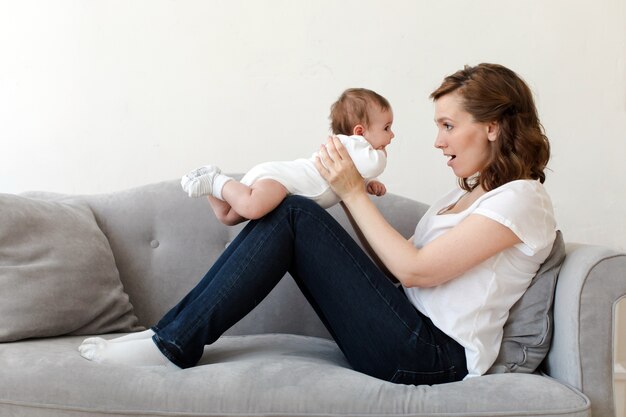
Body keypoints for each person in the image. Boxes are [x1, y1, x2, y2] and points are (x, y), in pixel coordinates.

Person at [78, 63, 556, 384]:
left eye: (448, 126)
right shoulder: (463, 196)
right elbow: (394, 272)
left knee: (292, 212)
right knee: (294, 208)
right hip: (403, 325)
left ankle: (171, 344)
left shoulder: (523, 200)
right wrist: (344, 192)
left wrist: (350, 189)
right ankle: (171, 334)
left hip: (435, 355)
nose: (437, 141)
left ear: (492, 127)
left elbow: (417, 270)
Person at [180, 88, 394, 225]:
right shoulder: (352, 143)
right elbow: (375, 165)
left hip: (279, 177)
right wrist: (381, 153)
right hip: (283, 181)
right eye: (387, 128)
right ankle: (217, 181)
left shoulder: (349, 152)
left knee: (228, 216)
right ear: (359, 131)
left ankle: (211, 182)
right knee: (252, 208)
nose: (391, 135)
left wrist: (368, 185)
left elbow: (350, 180)